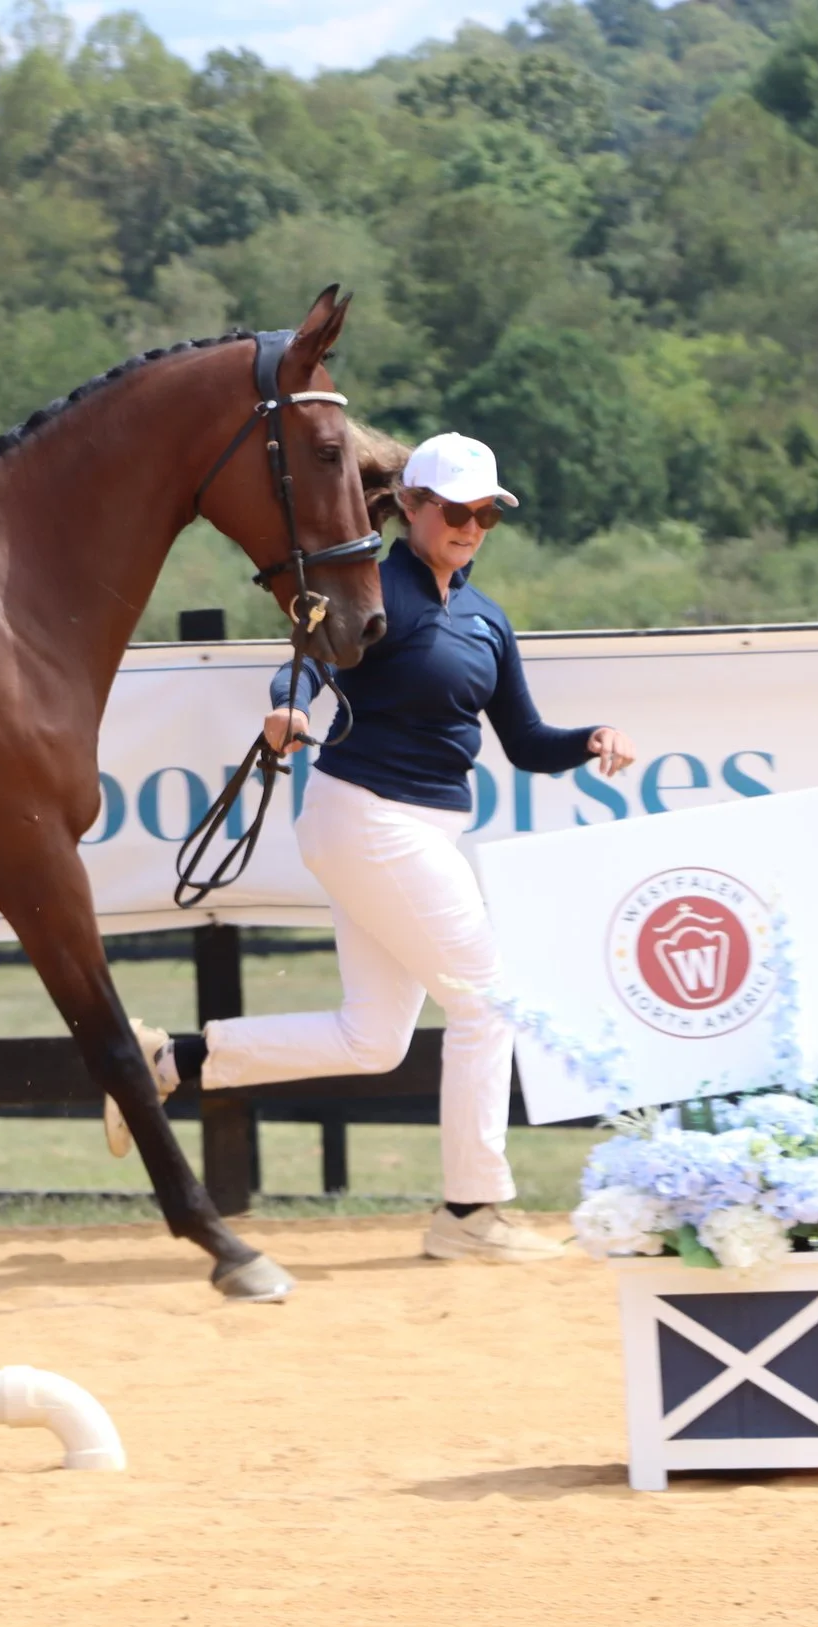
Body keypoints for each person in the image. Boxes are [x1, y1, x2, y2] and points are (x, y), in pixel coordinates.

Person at [143, 432, 636, 1262]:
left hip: (412, 828)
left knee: (372, 1038)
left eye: (487, 513)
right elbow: (303, 666)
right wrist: (287, 711)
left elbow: (523, 740)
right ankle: (471, 1214)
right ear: (410, 507)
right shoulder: (377, 588)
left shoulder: (487, 618)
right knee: (488, 1000)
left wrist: (591, 738)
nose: (472, 525)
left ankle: (172, 1058)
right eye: (456, 509)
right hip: (369, 815)